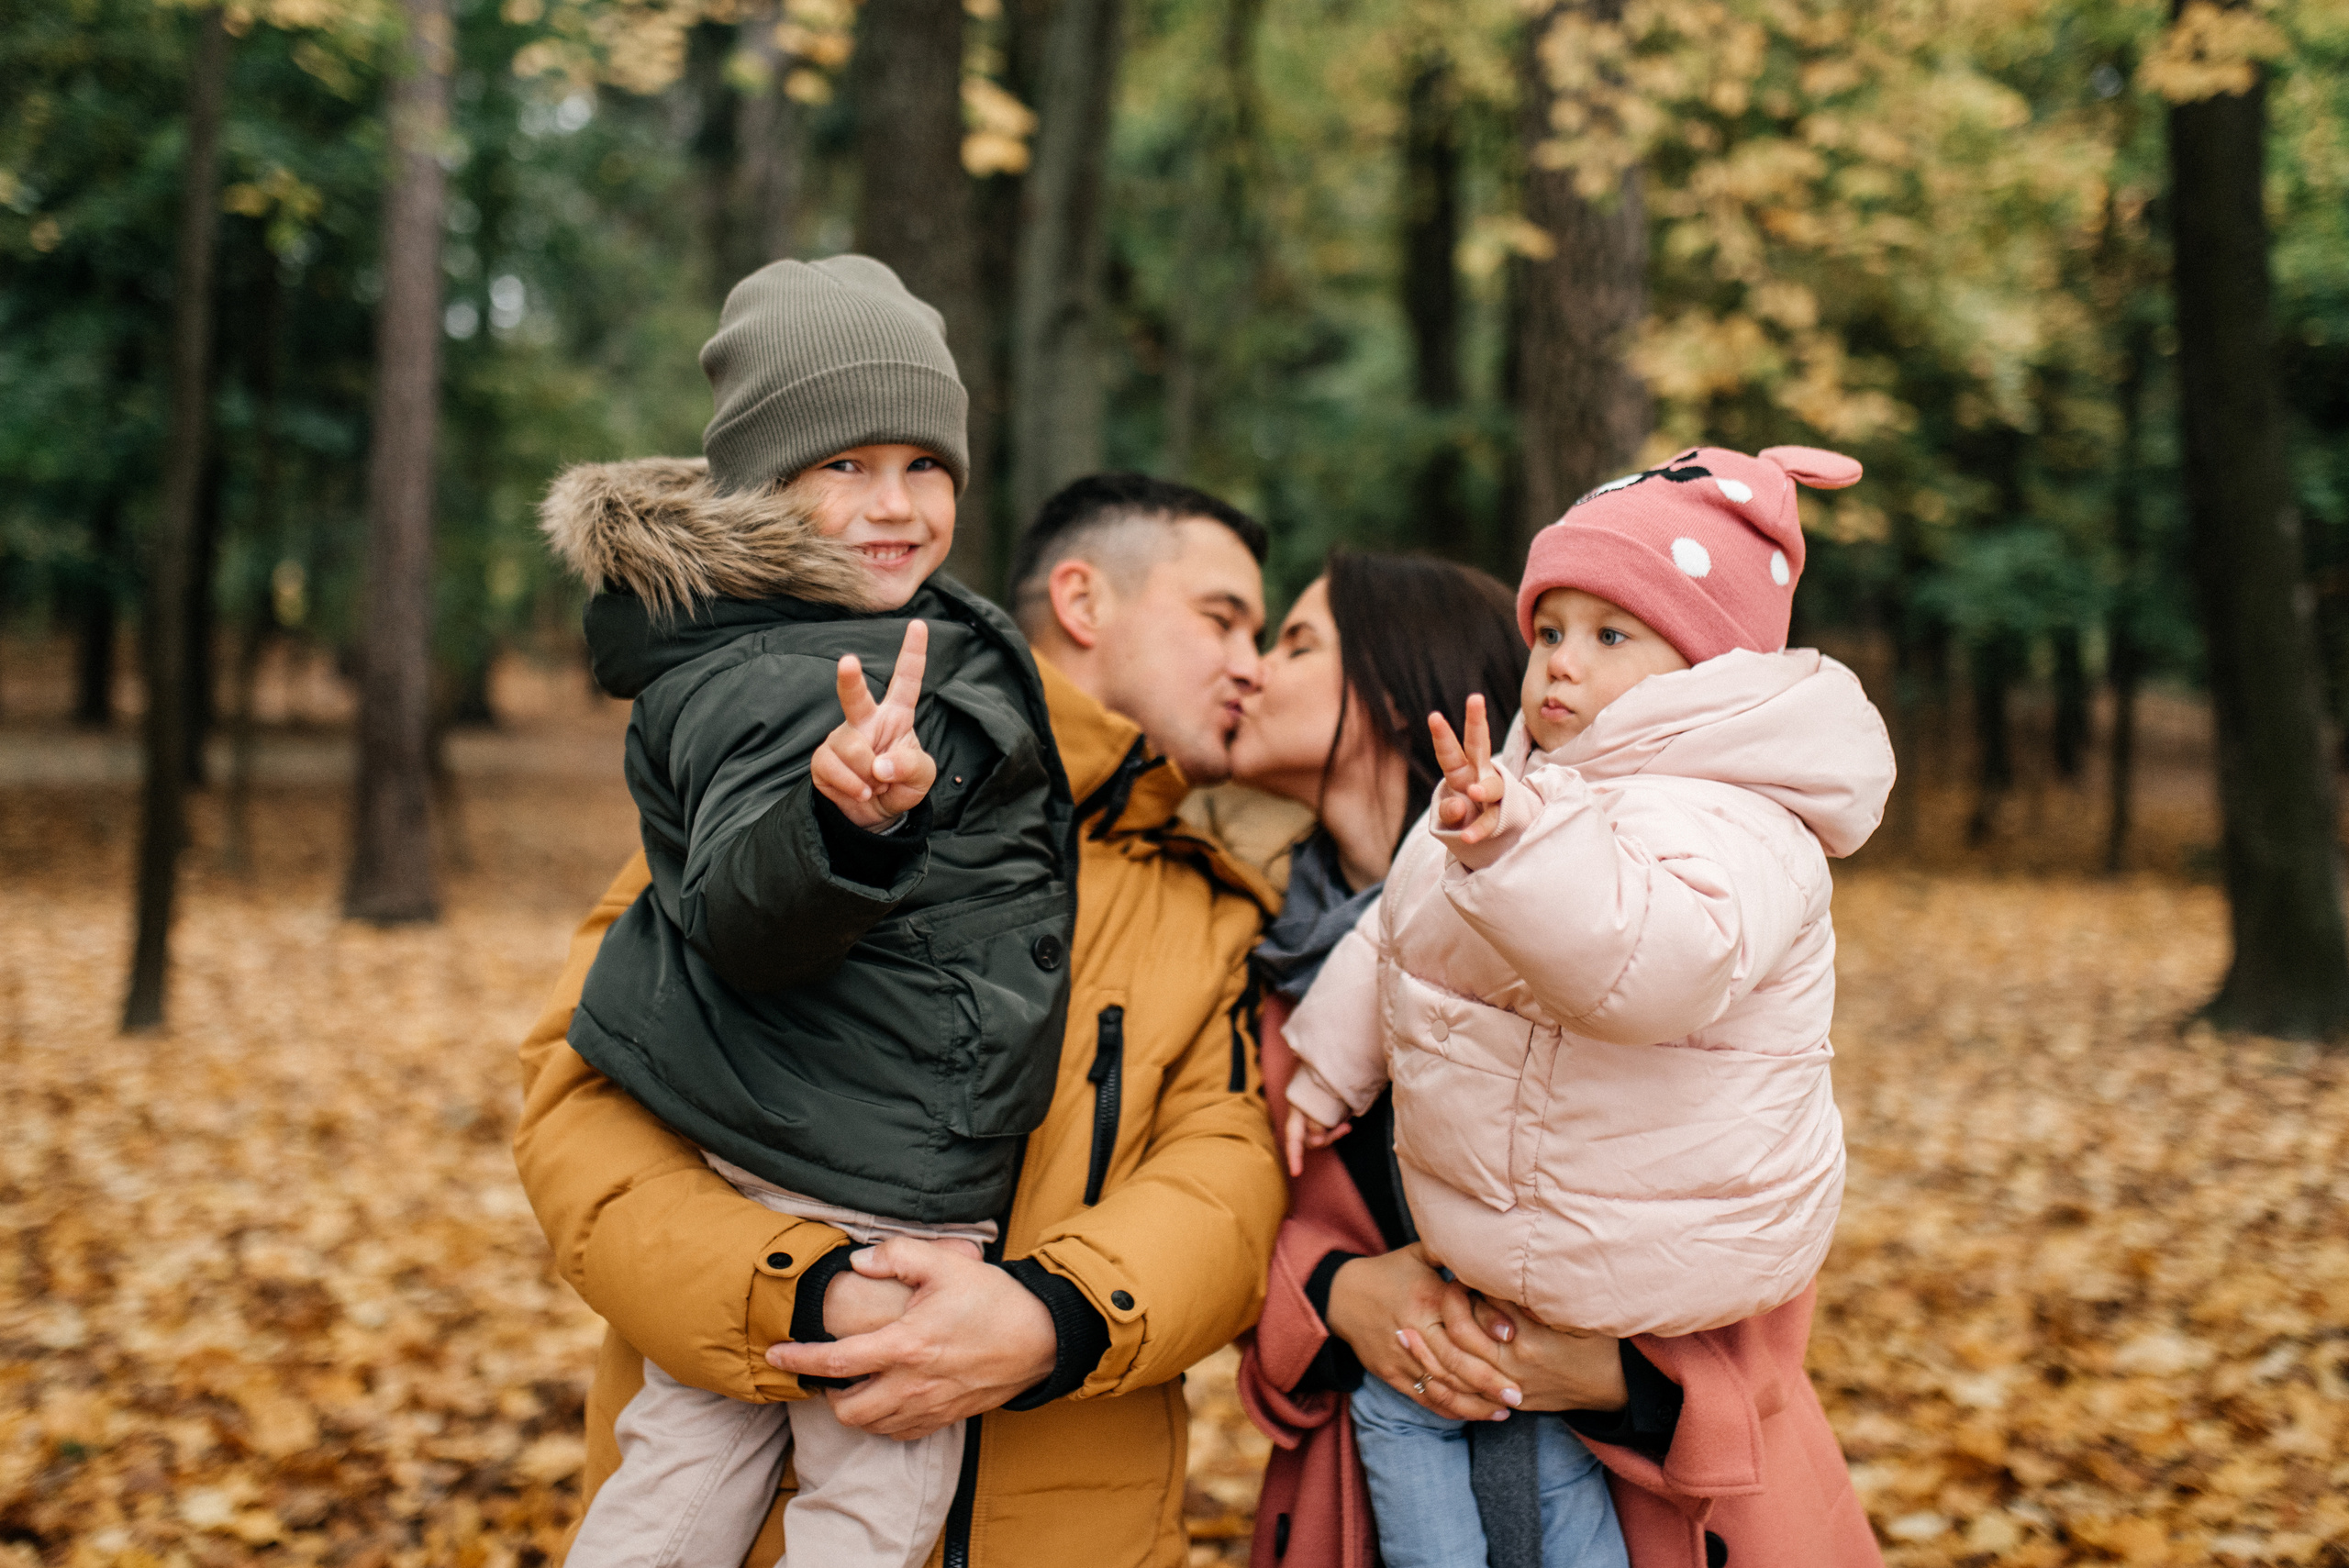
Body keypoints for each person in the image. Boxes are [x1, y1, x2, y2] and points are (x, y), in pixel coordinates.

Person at [514, 461, 1289, 1566]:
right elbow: (582, 1111)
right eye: (1222, 618)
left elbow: (1230, 1168)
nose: (1247, 667)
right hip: (762, 1514)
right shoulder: (812, 786)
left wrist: (1055, 1314)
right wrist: (812, 1290)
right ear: (1082, 601)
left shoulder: (1206, 897)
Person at [1235, 450, 1894, 1567]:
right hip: (1380, 1471)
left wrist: (1614, 1374)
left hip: (1667, 1490)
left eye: (1295, 642)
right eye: (1547, 634)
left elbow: (1738, 1224)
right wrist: (1340, 1294)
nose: (1247, 670)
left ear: (1401, 686)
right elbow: (1234, 1229)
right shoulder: (1272, 947)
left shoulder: (1694, 833)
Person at [536, 255, 1080, 1568]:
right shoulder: (777, 670)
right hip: (874, 1149)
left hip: (815, 1114)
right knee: (878, 1499)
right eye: (843, 466)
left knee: (689, 1459)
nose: (894, 504)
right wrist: (843, 815)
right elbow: (741, 905)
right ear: (762, 487)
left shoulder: (821, 621)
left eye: (923, 464)